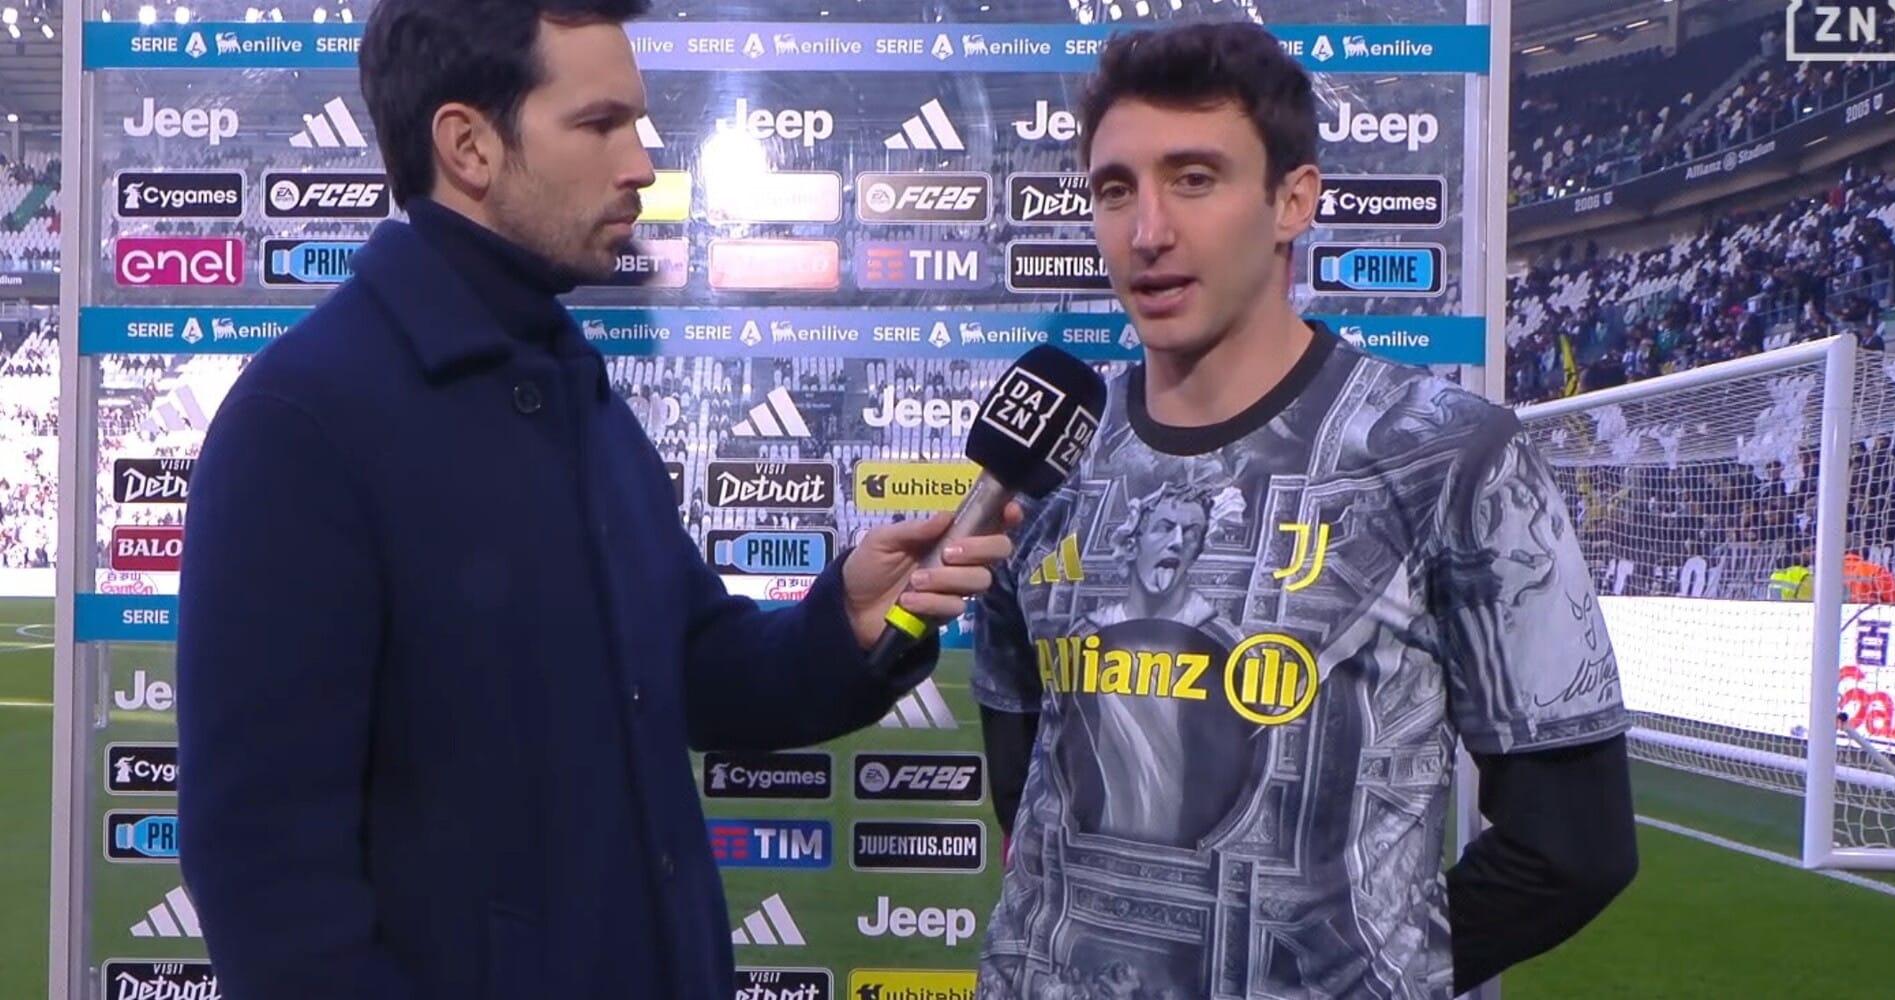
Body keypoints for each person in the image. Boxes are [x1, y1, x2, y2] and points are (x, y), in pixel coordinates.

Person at [171, 1, 1018, 997]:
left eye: (636, 125)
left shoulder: (572, 387)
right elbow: (270, 885)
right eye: (599, 124)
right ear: (469, 146)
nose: (641, 166)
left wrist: (846, 622)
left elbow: (692, 669)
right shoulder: (303, 421)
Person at [971, 21, 1638, 1000]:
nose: (1147, 230)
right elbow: (1024, 772)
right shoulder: (1048, 464)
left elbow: (1573, 845)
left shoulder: (1447, 455)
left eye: (1193, 179)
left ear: (1292, 200)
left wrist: (1360, 974)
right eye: (1115, 189)